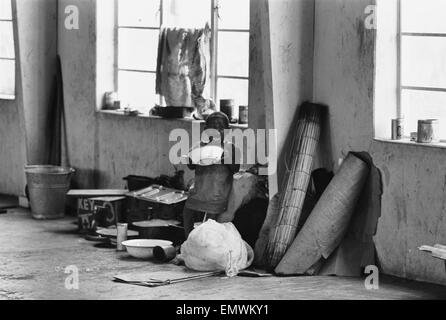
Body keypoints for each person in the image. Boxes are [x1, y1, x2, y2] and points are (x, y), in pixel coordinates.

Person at [182, 112, 240, 237]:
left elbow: (236, 168)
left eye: (220, 127)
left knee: (209, 224)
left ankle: (205, 244)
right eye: (212, 127)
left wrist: (226, 159)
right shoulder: (199, 146)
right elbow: (191, 165)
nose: (216, 131)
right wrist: (192, 158)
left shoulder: (230, 148)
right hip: (199, 191)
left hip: (217, 194)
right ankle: (189, 240)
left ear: (228, 131)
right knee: (187, 214)